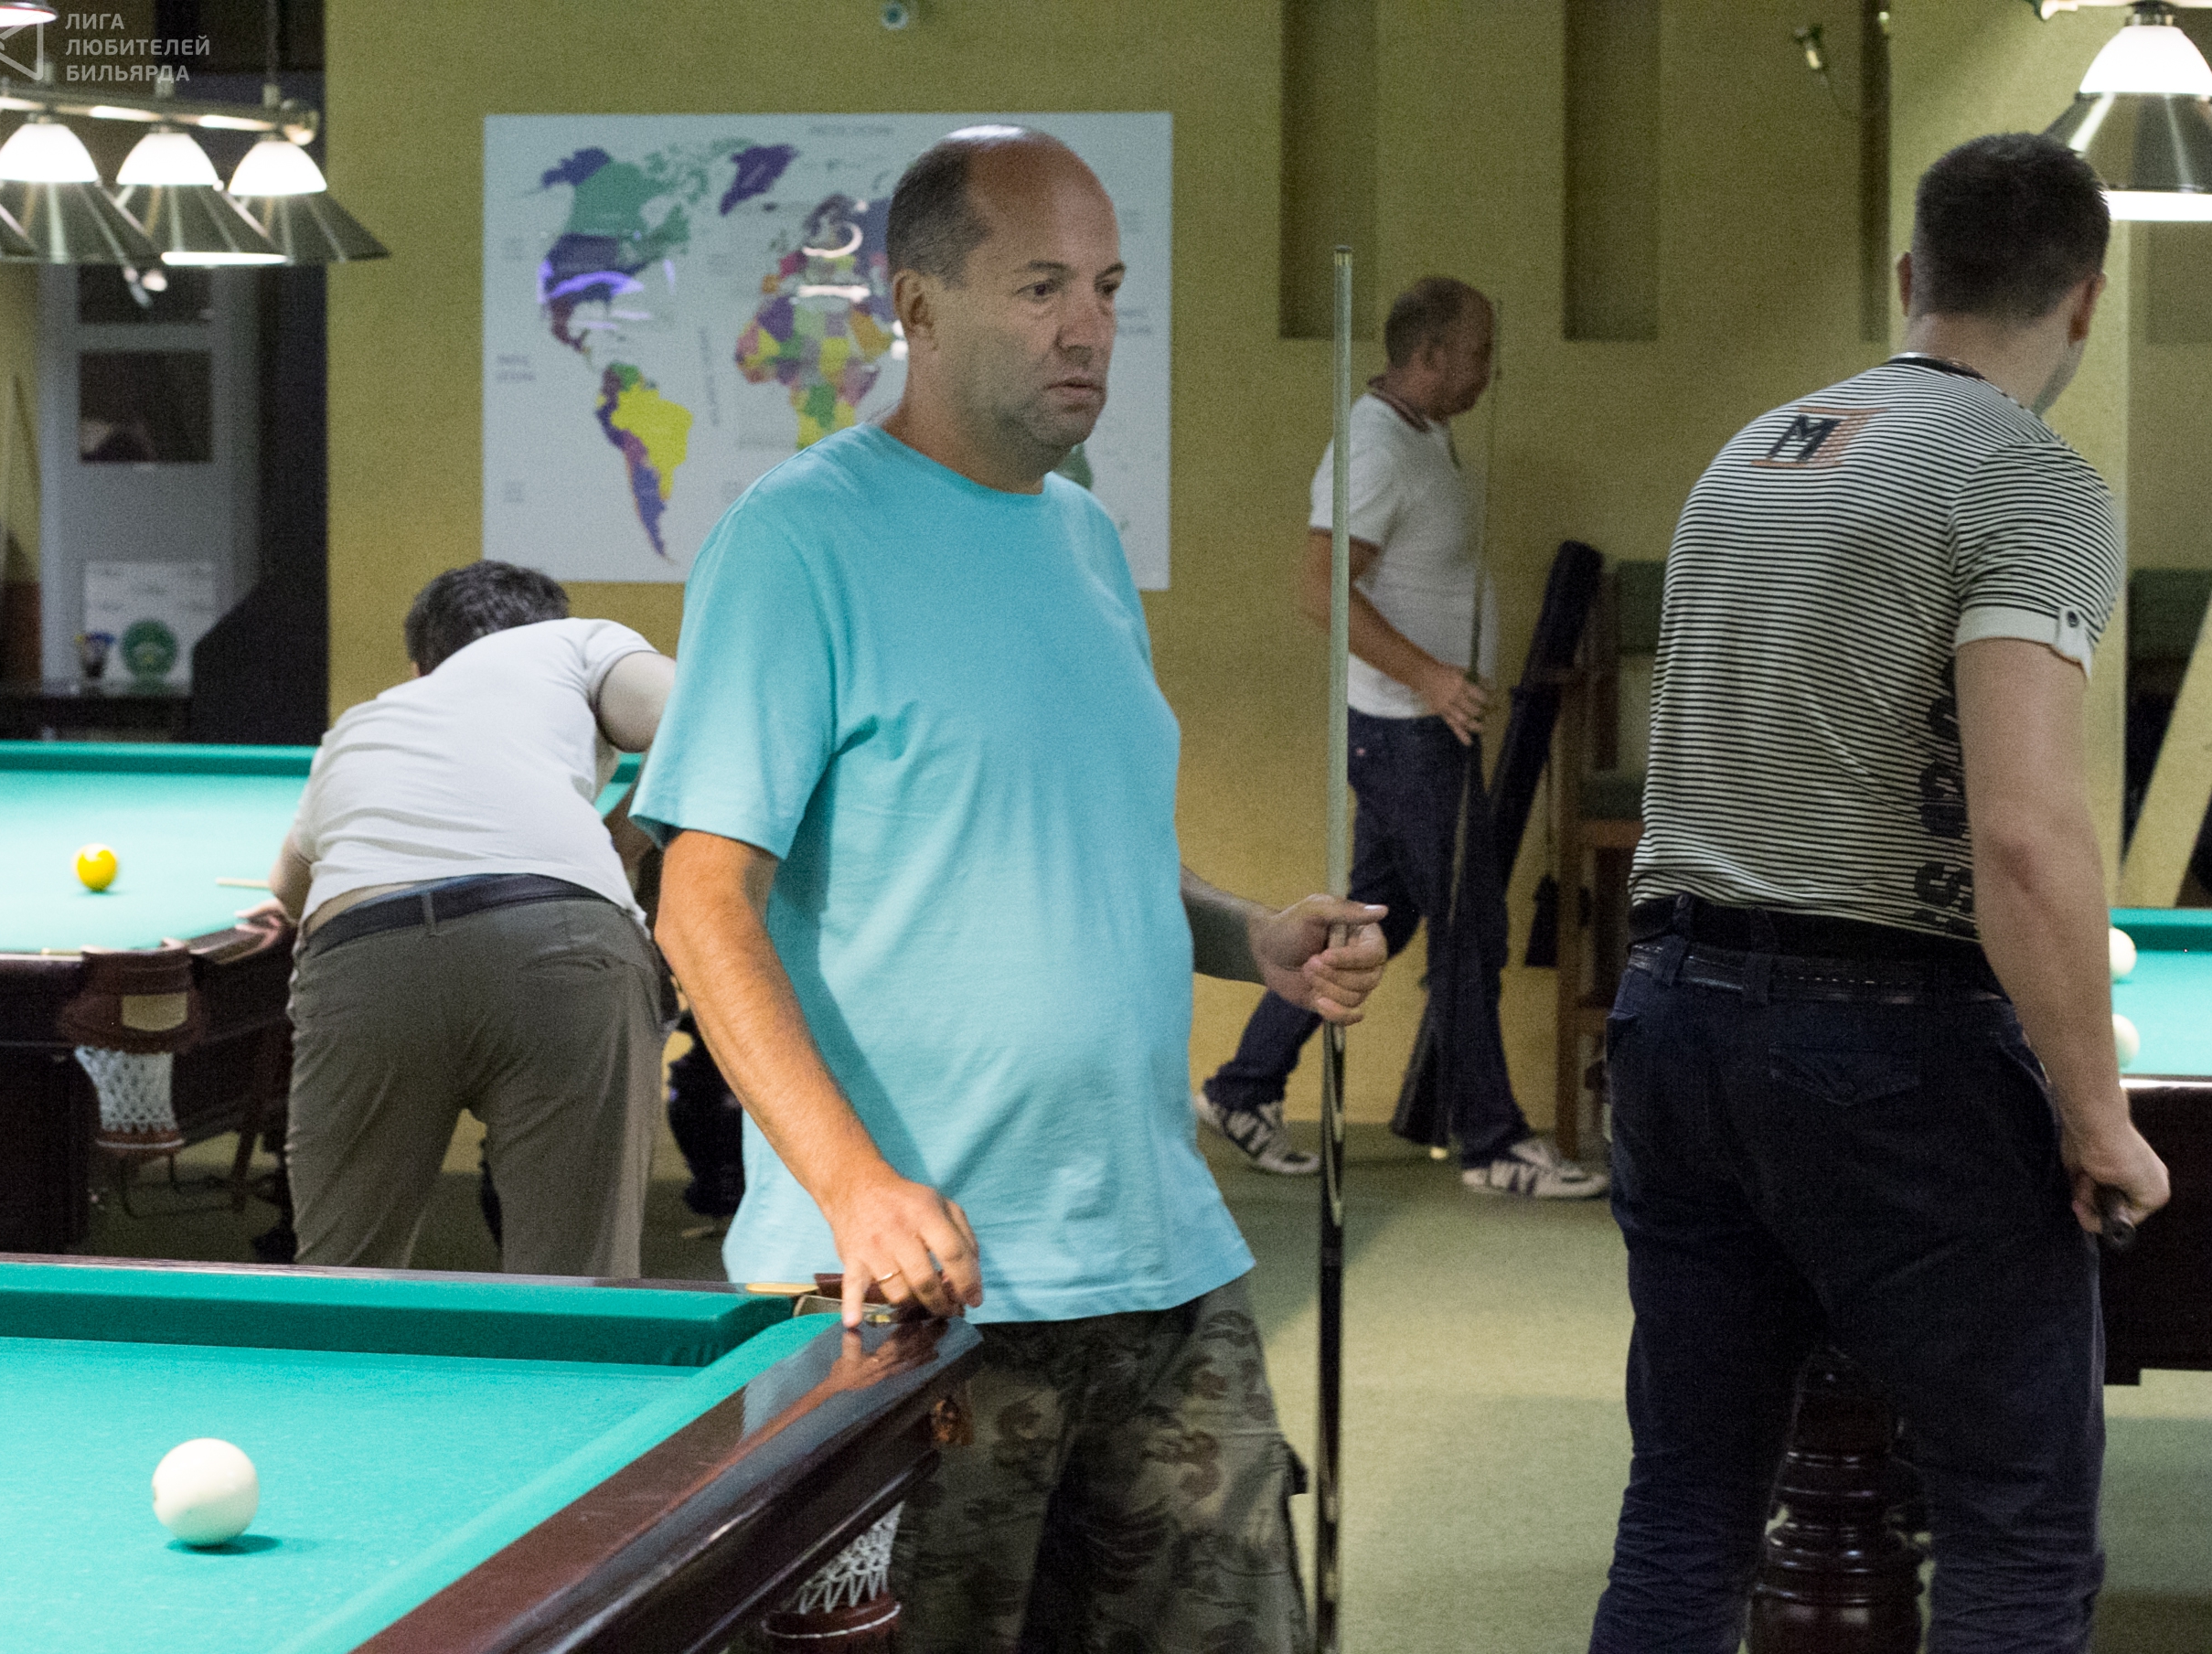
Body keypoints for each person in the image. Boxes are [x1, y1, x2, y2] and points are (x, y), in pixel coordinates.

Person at [632, 127, 1390, 1651]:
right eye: (1041, 286)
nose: (1088, 327)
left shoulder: (1088, 540)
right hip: (919, 1285)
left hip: (1157, 1249)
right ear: (915, 305)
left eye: (1107, 288)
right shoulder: (797, 542)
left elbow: (1095, 847)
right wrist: (854, 1185)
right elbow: (700, 902)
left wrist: (1251, 935)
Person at [1589, 133, 2171, 1654]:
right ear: (2087, 300)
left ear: (1911, 275)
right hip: (1886, 1044)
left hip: (1670, 1023)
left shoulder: (1752, 452)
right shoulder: (2032, 482)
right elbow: (2026, 834)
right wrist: (2098, 1116)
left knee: (1686, 1508)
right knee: (2016, 1527)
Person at [1196, 276, 1607, 1197]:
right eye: (1479, 352)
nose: (1490, 370)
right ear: (1429, 356)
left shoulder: (1422, 434)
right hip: (1404, 736)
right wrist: (1430, 676)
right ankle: (1495, 1146)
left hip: (1418, 734)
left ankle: (1242, 1087)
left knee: (1374, 921)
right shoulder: (1376, 450)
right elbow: (1319, 589)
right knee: (1471, 931)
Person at [267, 560, 679, 1278]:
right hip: (560, 937)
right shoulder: (575, 642)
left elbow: (287, 890)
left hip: (363, 953)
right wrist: (624, 838)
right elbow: (695, 716)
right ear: (546, 624)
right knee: (574, 1286)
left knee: (343, 1284)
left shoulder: (367, 720)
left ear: (420, 666)